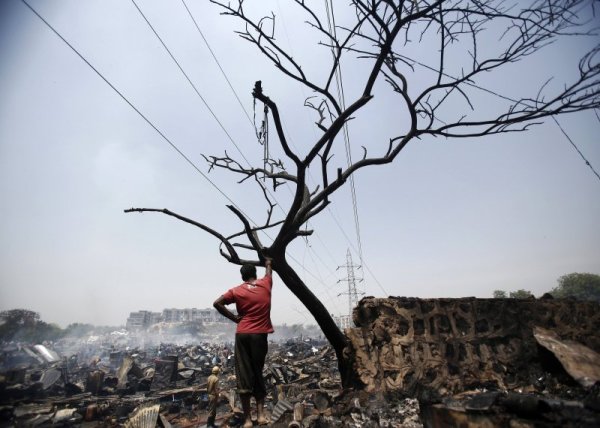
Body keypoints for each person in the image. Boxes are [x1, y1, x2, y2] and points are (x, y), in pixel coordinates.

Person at [213, 259, 273, 428]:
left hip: (243, 333)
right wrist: (268, 261)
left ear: (242, 276)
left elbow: (217, 303)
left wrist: (234, 318)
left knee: (244, 375)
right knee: (258, 372)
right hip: (259, 335)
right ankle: (261, 416)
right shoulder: (266, 284)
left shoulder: (237, 290)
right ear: (255, 274)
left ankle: (247, 420)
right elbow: (269, 272)